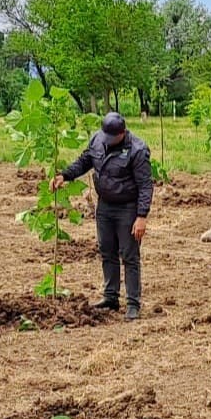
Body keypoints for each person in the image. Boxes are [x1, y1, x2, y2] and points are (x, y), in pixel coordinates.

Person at [51, 112, 152, 320]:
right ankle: (111, 297)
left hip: (127, 208)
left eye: (111, 138)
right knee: (107, 251)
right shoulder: (98, 139)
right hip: (105, 206)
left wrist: (141, 216)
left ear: (122, 133)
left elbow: (145, 185)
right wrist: (65, 175)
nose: (106, 141)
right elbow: (85, 160)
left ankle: (133, 303)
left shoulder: (137, 150)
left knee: (129, 255)